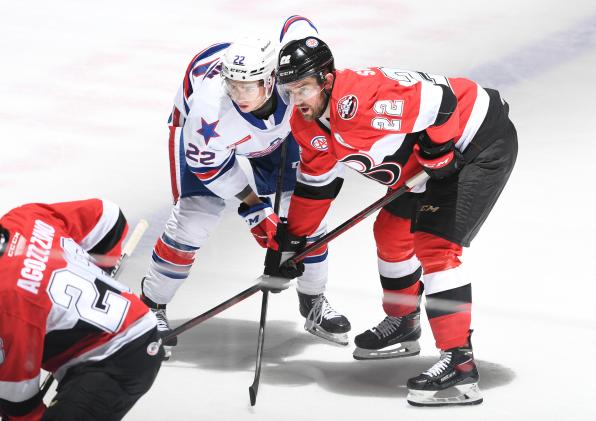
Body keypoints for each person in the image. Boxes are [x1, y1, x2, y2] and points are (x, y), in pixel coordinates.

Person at [273, 37, 518, 406]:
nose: (297, 100)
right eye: (288, 90)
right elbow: (315, 188)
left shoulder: (360, 104)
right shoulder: (305, 123)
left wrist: (437, 148)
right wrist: (293, 240)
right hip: (430, 163)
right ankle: (404, 323)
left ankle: (460, 363)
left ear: (326, 79)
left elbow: (443, 101)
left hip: (476, 142)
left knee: (435, 246)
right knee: (390, 233)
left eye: (303, 88)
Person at [140, 16, 351, 359]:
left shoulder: (291, 76)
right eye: (232, 85)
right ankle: (151, 305)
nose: (239, 94)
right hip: (213, 143)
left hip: (278, 135)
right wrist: (255, 209)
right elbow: (210, 167)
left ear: (271, 79)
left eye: (248, 85)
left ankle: (313, 299)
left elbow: (298, 24)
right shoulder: (209, 110)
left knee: (305, 214)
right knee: (196, 218)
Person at [0, 199, 163, 421]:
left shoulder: (8, 305)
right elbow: (110, 219)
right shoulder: (24, 217)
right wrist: (100, 270)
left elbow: (20, 408)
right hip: (128, 325)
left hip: (116, 360)